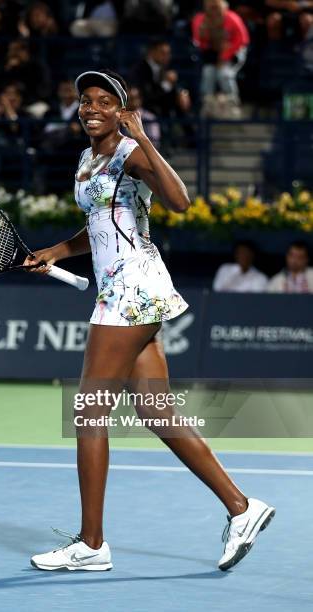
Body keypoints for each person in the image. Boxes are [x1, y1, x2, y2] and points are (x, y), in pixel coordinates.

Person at [26, 69, 275, 572]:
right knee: (156, 412)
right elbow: (97, 227)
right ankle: (242, 507)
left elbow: (180, 202)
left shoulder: (129, 152)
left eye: (103, 101)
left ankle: (92, 544)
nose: (91, 108)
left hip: (132, 291)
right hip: (121, 291)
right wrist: (56, 250)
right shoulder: (85, 158)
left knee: (89, 413)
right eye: (84, 101)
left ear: (121, 109)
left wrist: (143, 139)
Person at [192, 0, 249, 117]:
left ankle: (233, 103)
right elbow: (199, 43)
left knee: (224, 74)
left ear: (223, 7)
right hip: (212, 54)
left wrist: (224, 56)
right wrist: (204, 36)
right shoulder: (200, 19)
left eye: (216, 7)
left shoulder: (232, 18)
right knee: (208, 73)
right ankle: (207, 104)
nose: (214, 10)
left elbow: (243, 40)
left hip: (234, 52)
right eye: (210, 7)